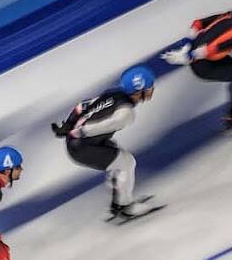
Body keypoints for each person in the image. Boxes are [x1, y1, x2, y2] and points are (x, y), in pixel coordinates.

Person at [53, 66, 161, 220]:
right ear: (139, 91)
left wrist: (68, 124)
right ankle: (125, 207)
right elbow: (107, 125)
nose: (153, 89)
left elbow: (81, 106)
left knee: (117, 158)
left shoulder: (115, 92)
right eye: (150, 87)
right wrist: (79, 131)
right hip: (82, 146)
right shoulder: (126, 113)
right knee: (126, 163)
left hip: (80, 142)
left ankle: (118, 200)